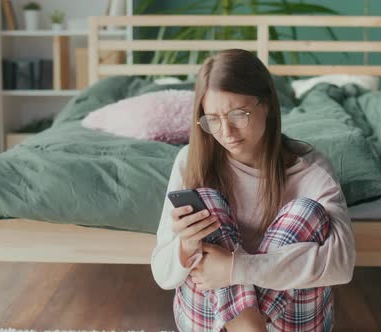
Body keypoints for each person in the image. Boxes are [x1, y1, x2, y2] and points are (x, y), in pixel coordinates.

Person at [151, 49, 355, 332]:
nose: (227, 132)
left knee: (306, 212)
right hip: (211, 320)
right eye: (213, 119)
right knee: (206, 201)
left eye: (238, 115)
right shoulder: (191, 162)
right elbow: (163, 274)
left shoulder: (310, 169)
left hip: (290, 321)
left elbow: (342, 265)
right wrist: (185, 246)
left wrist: (236, 268)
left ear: (268, 105)